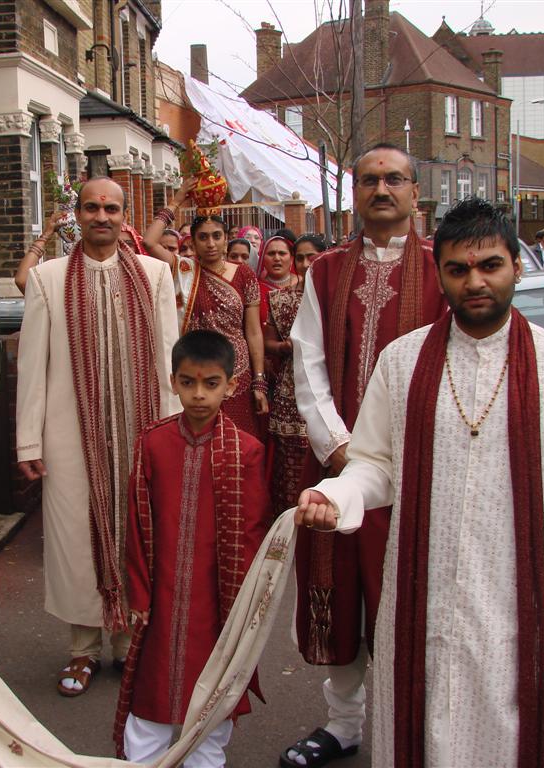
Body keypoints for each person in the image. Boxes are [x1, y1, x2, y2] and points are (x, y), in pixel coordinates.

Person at [297, 197, 544, 768]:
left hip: (520, 616)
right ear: (439, 273)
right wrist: (336, 494)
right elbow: (374, 465)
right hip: (420, 607)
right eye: (459, 269)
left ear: (517, 266)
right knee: (416, 737)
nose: (476, 282)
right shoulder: (402, 361)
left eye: (490, 265)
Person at [282, 143, 446, 768]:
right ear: (355, 192)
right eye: (371, 179)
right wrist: (341, 448)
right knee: (338, 590)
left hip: (422, 472)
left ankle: (423, 728)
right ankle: (343, 725)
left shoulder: (442, 269)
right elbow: (308, 361)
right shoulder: (324, 271)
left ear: (414, 191)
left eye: (395, 179)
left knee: (416, 599)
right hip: (336, 465)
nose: (383, 189)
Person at [16, 177, 180, 698]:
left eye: (111, 208)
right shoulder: (47, 278)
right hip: (69, 434)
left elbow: (167, 357)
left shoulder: (154, 274)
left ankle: (129, 646)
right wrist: (28, 442)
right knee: (73, 541)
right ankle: (82, 650)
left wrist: (176, 433)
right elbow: (33, 366)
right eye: (92, 207)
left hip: (142, 429)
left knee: (138, 533)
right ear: (78, 215)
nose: (101, 216)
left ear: (123, 213)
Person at [116, 330, 270, 767]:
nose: (199, 395)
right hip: (159, 603)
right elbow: (137, 525)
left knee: (211, 703)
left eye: (210, 383)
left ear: (231, 385)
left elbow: (253, 534)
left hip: (216, 606)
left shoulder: (248, 451)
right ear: (173, 381)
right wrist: (139, 596)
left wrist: (243, 610)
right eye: (188, 383)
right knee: (151, 699)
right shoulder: (153, 442)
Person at [178, 214, 269, 437]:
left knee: (239, 442)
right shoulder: (186, 273)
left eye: (216, 236)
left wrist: (258, 380)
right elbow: (150, 241)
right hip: (198, 371)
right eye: (203, 237)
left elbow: (254, 331)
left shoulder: (244, 273)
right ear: (193, 242)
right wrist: (179, 198)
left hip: (238, 373)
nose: (210, 243)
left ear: (226, 239)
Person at [263, 248, 311, 517]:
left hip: (325, 386)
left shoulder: (334, 298)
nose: (305, 263)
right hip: (289, 390)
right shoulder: (280, 299)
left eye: (311, 256)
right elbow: (266, 342)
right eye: (301, 257)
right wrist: (284, 347)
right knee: (287, 467)